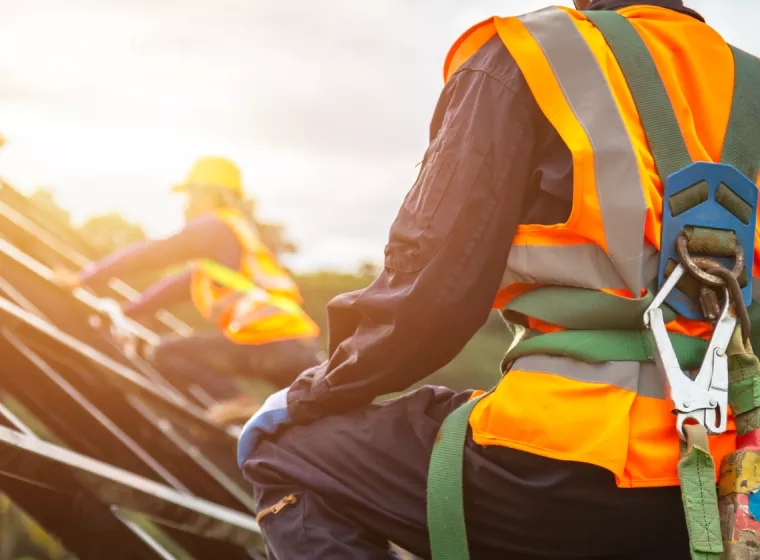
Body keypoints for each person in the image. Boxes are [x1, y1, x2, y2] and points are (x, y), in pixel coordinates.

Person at [236, 1, 760, 558]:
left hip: (559, 459)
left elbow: (429, 294)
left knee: (286, 452)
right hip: (732, 481)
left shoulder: (533, 54)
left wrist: (316, 392)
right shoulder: (748, 82)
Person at [56, 156, 321, 423]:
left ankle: (234, 400)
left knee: (167, 353)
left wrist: (84, 278)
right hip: (298, 349)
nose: (187, 203)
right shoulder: (230, 247)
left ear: (208, 193)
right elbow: (170, 290)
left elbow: (152, 253)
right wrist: (126, 313)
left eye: (190, 194)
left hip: (267, 343)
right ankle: (243, 409)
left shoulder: (214, 226)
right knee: (308, 424)